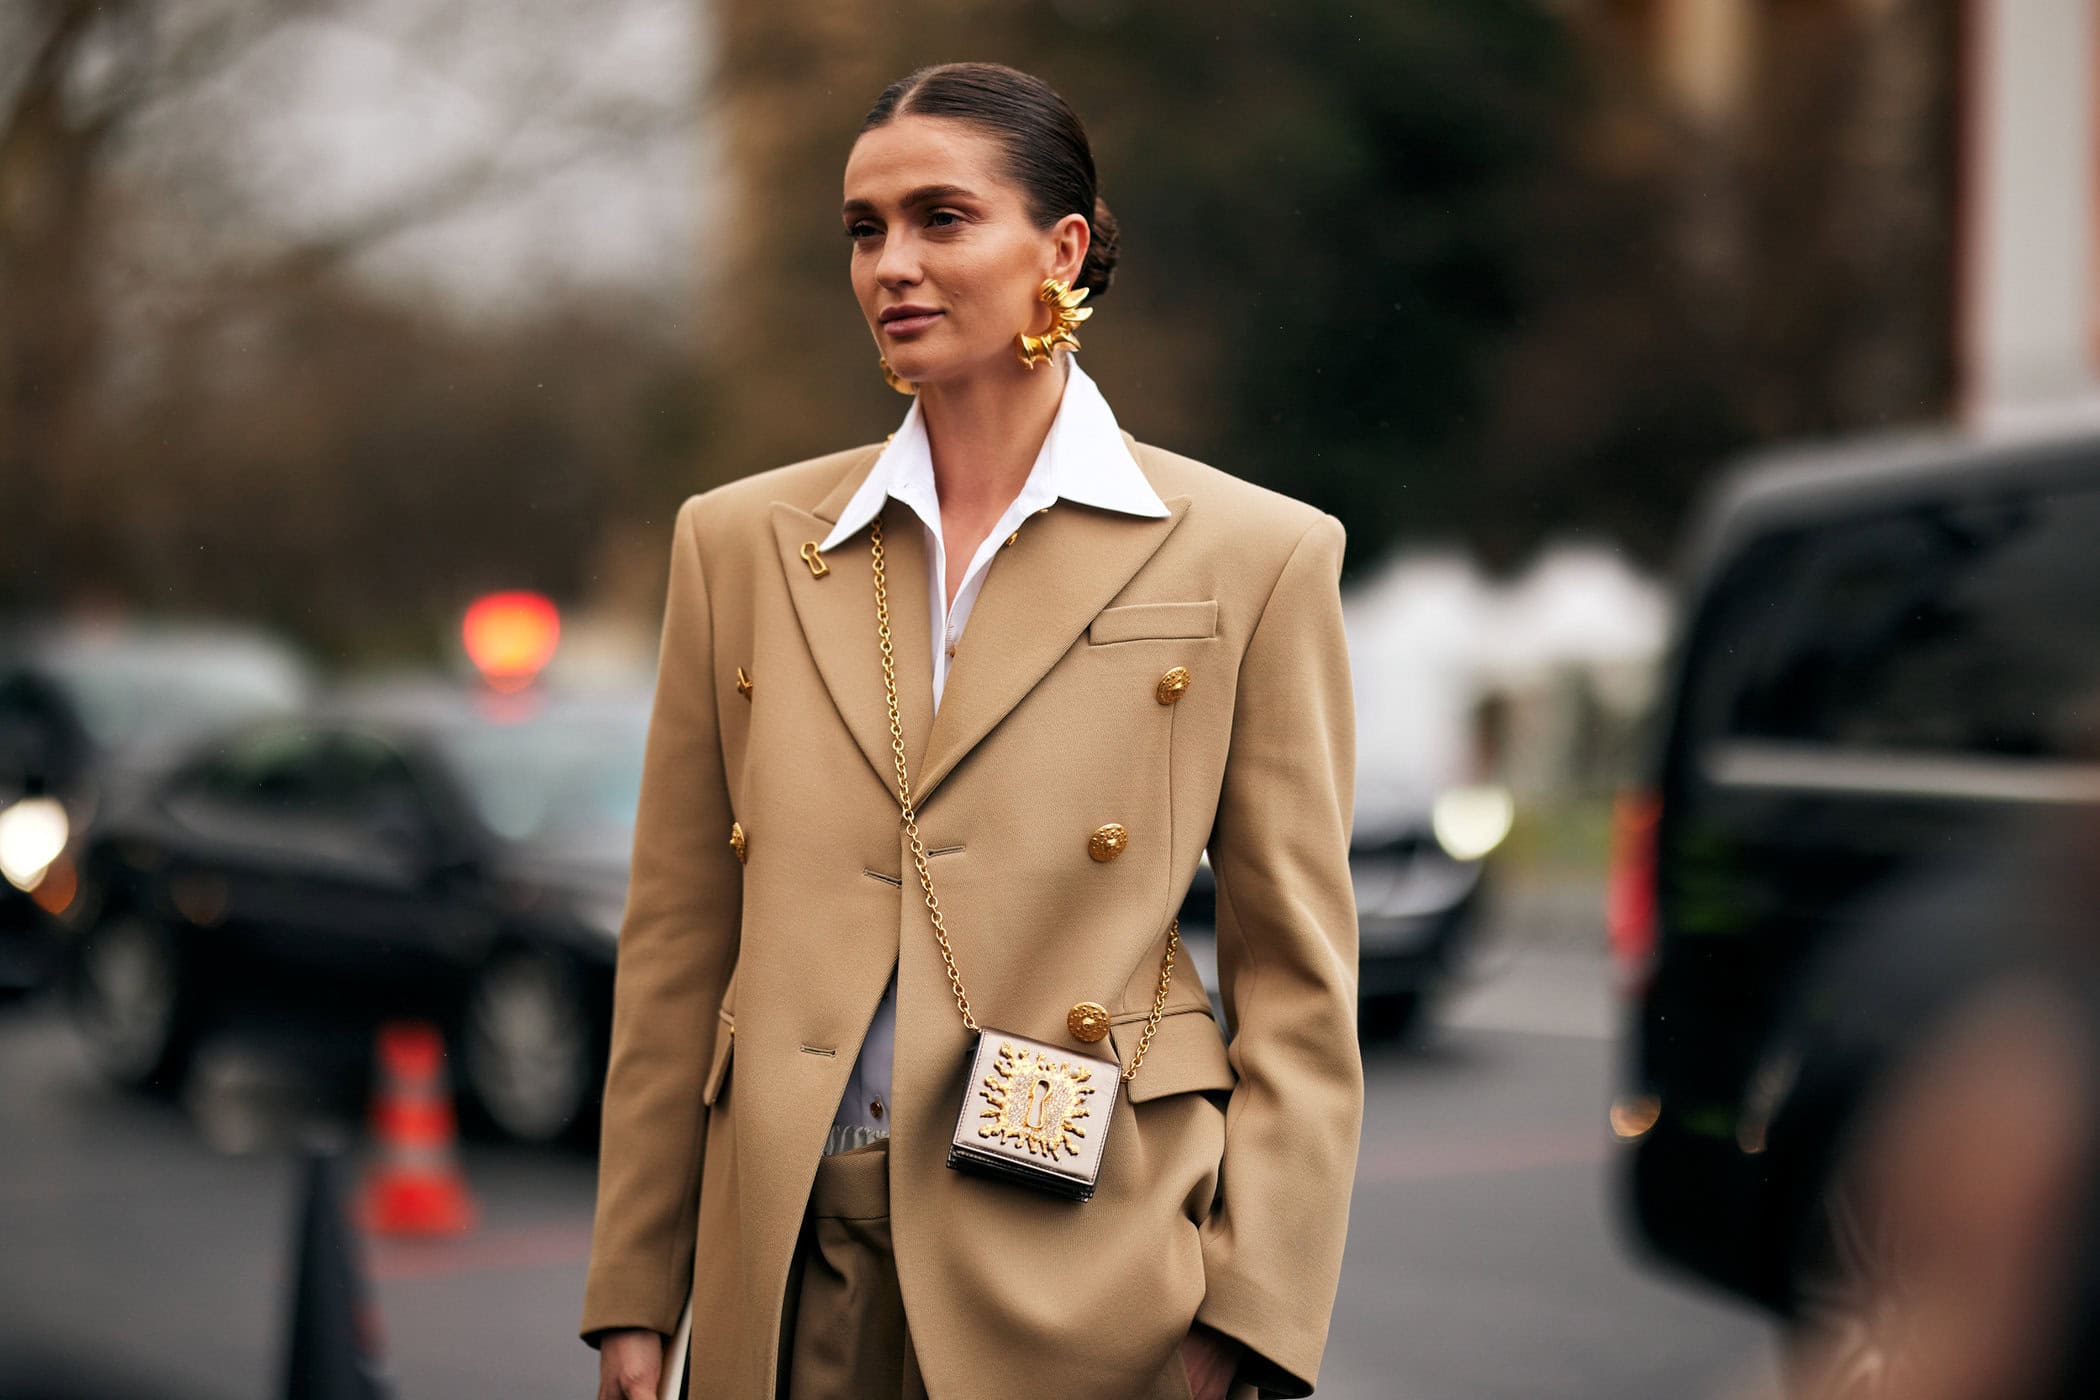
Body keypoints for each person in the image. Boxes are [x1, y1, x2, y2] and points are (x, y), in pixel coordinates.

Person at [581, 62, 1362, 1400]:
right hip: (786, 1260)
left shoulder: (1256, 554)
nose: (892, 263)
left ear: (1062, 249)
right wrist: (636, 1292)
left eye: (943, 218)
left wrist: (1249, 1317)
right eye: (864, 229)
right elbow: (675, 941)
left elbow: (1298, 985)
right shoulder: (739, 543)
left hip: (1092, 1272)